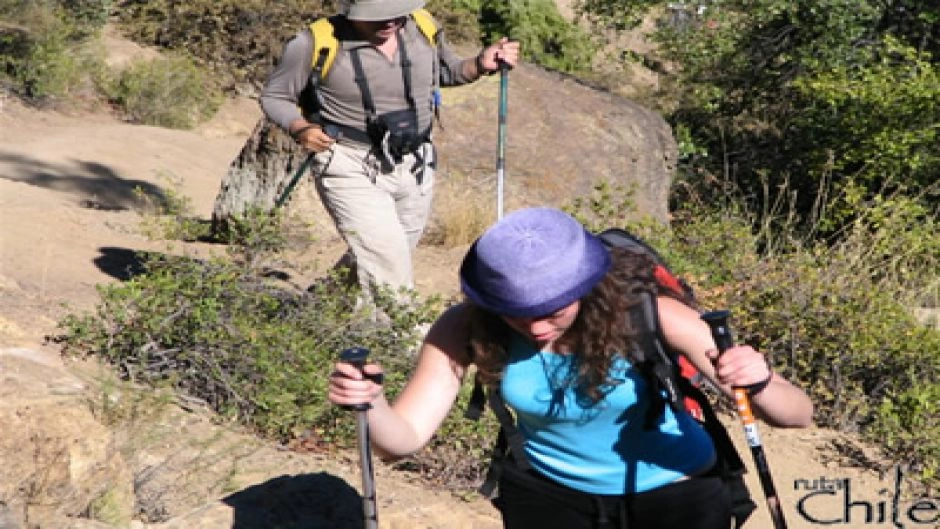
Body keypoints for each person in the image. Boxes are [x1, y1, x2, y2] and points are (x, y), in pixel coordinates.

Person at [329, 207, 815, 529]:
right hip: (549, 501)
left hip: (674, 498)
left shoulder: (649, 314)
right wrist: (370, 404)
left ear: (583, 287)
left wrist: (760, 380)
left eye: (553, 308)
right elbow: (404, 439)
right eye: (516, 309)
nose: (536, 326)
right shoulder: (467, 327)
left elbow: (796, 414)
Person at [260, 0, 520, 302]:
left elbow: (445, 73)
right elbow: (275, 96)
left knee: (383, 255)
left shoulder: (423, 25)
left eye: (396, 12)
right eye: (377, 16)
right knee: (389, 263)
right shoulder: (313, 43)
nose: (389, 21)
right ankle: (409, 343)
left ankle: (317, 309)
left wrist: (479, 64)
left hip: (415, 162)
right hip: (349, 162)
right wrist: (299, 127)